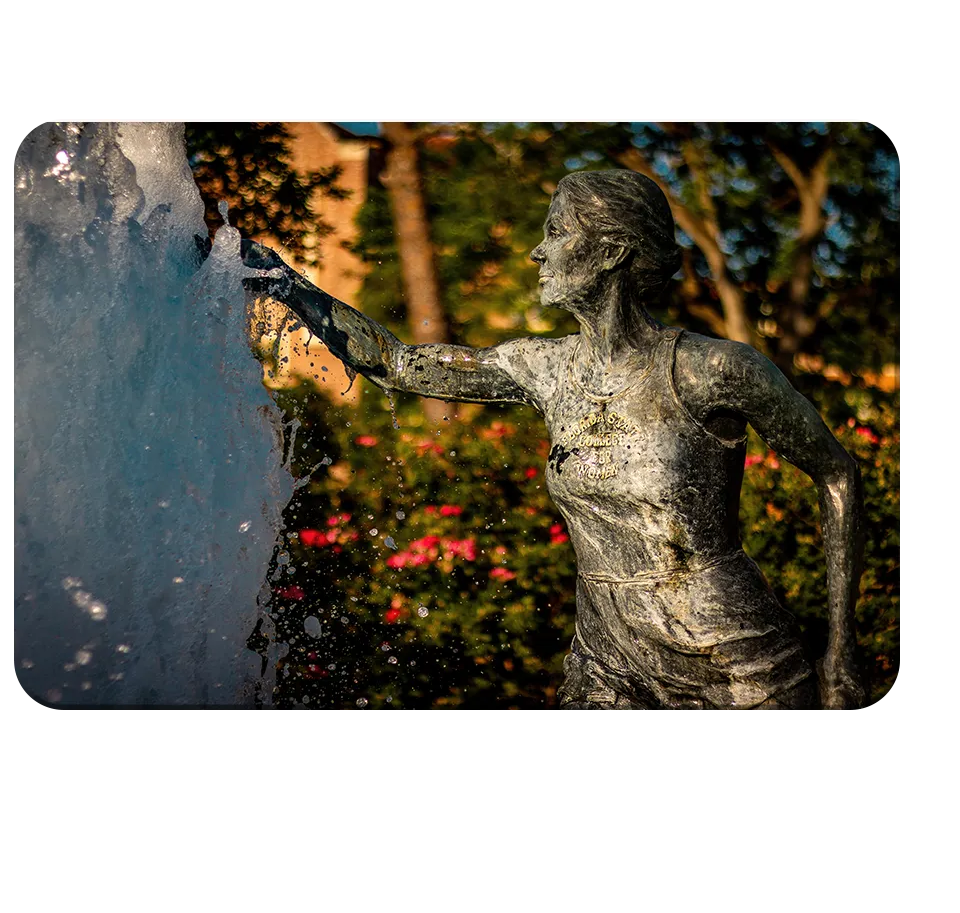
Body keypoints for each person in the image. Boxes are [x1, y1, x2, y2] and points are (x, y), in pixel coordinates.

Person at [243, 169, 864, 712]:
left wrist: (841, 654)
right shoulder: (545, 368)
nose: (538, 253)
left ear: (612, 251)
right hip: (607, 657)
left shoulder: (713, 370)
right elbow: (400, 364)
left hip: (732, 658)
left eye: (557, 232)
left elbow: (837, 473)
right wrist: (286, 283)